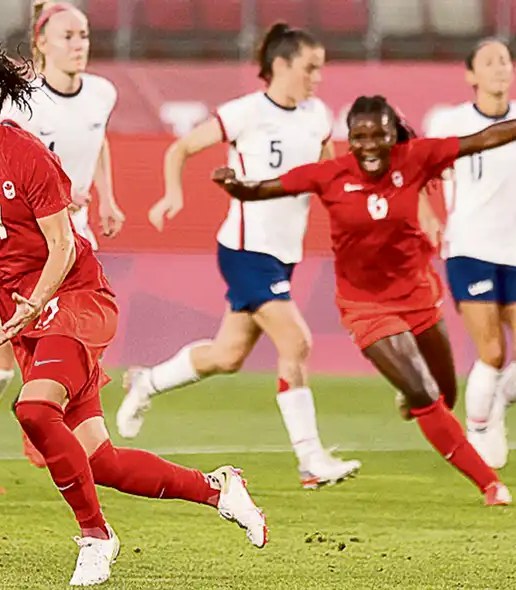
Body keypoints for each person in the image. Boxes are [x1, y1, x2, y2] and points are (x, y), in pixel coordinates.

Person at [0, 50, 267, 587]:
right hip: (31, 316)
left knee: (35, 408)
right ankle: (217, 488)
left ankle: (97, 537)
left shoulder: (25, 154)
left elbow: (62, 246)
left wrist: (36, 300)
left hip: (76, 298)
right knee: (100, 461)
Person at [210, 89, 516, 505]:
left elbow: (488, 137)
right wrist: (235, 186)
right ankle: (490, 484)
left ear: (393, 136)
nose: (369, 146)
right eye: (359, 137)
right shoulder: (328, 174)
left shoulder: (416, 158)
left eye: (378, 135)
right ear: (348, 139)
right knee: (425, 394)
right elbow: (262, 189)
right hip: (365, 307)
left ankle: (415, 395)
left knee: (444, 395)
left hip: (417, 296)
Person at [116, 22, 360, 490]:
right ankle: (311, 461)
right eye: (311, 67)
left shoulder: (317, 115)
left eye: (321, 69)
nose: (317, 77)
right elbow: (183, 147)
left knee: (227, 355)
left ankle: (147, 381)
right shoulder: (246, 112)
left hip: (284, 255)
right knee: (297, 343)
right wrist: (172, 195)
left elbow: (329, 175)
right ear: (282, 65)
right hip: (247, 251)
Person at [0, 0, 127, 492]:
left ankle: (44, 424)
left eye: (85, 35)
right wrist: (49, 189)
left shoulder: (102, 93)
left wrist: (107, 198)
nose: (79, 45)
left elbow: (99, 139)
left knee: (75, 352)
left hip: (69, 249)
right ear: (41, 43)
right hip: (12, 253)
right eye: (69, 36)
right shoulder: (19, 102)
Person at [425, 38, 516, 469]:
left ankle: (494, 408)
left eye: (505, 60)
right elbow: (419, 175)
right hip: (469, 247)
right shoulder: (449, 122)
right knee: (491, 353)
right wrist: (430, 218)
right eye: (489, 62)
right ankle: (478, 427)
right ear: (471, 75)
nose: (500, 68)